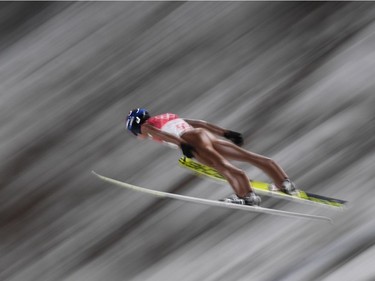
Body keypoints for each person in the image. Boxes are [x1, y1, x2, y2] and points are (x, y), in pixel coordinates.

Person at [125, 108, 297, 206]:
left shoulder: (147, 127)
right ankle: (285, 183)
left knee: (224, 167)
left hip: (191, 140)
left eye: (134, 132)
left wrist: (182, 144)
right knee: (249, 157)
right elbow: (201, 124)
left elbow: (159, 134)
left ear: (136, 125)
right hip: (202, 134)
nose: (137, 135)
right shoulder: (166, 117)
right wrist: (226, 133)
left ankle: (246, 196)